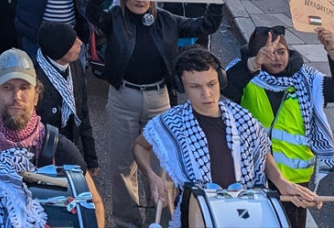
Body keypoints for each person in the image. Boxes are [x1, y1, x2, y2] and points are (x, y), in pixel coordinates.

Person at [88, 0, 230, 228]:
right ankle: (128, 222)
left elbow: (205, 26)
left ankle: (164, 219)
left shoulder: (167, 20)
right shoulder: (115, 18)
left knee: (164, 165)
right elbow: (92, 16)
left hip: (159, 99)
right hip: (123, 97)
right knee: (123, 165)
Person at [133, 47, 318, 228]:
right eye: (195, 86)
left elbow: (261, 150)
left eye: (211, 84)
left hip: (245, 210)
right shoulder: (172, 122)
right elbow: (140, 146)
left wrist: (280, 180)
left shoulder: (242, 117)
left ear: (220, 79)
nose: (206, 94)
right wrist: (152, 176)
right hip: (198, 212)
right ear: (182, 87)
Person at [0, 48, 105, 228]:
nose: (16, 97)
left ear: (36, 95)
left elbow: (95, 202)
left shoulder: (57, 147)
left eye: (24, 88)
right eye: (7, 88)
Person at [224, 26, 334, 228]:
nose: (276, 58)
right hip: (252, 176)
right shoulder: (244, 76)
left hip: (294, 180)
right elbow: (226, 88)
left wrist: (333, 50)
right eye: (269, 53)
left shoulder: (307, 80)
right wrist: (253, 64)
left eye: (281, 52)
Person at [34, 21, 98, 173]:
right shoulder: (34, 79)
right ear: (60, 49)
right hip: (44, 159)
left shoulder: (75, 67)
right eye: (74, 41)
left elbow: (83, 114)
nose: (80, 43)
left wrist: (91, 158)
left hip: (74, 150)